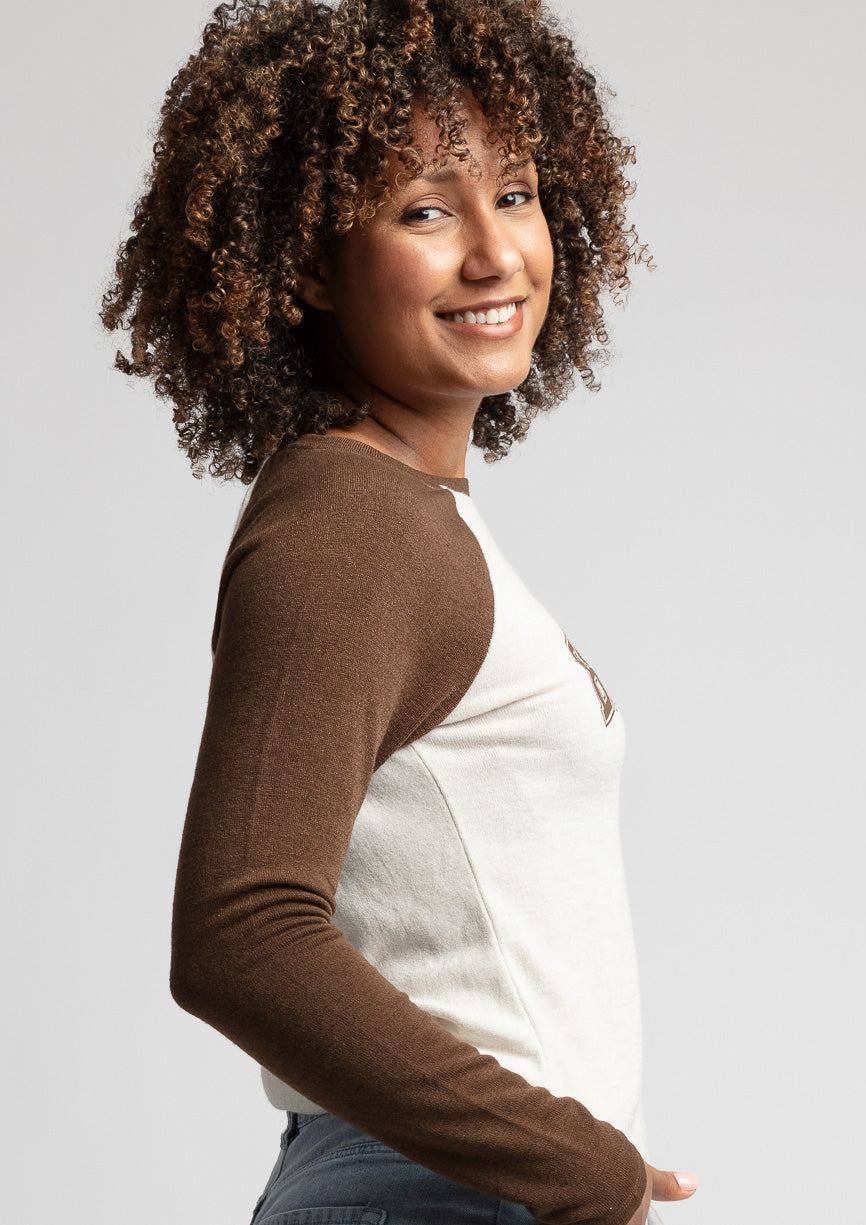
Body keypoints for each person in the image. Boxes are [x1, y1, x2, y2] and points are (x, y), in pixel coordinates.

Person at [100, 1, 698, 1222]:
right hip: (435, 1195)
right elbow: (241, 935)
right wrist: (575, 1166)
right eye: (425, 211)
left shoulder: (407, 515)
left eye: (515, 195)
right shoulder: (352, 524)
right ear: (308, 262)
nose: (494, 254)